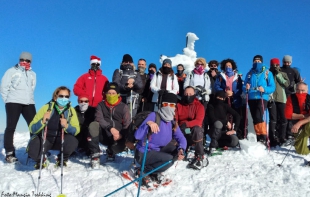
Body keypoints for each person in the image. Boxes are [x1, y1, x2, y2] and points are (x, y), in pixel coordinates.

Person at [134, 93, 186, 188]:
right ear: (161, 105)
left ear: (175, 107)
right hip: (143, 153)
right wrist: (148, 124)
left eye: (172, 105)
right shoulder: (154, 116)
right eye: (166, 104)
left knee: (175, 151)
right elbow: (137, 136)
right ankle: (143, 170)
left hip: (156, 151)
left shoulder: (172, 121)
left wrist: (181, 149)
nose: (168, 107)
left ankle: (154, 170)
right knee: (169, 159)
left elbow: (181, 138)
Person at [27, 86, 80, 169]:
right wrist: (42, 122)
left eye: (66, 96)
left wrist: (67, 126)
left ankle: (62, 159)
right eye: (61, 96)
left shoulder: (71, 110)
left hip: (61, 140)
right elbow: (32, 128)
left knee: (72, 141)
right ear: (55, 97)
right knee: (32, 149)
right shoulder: (46, 108)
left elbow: (76, 130)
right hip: (46, 139)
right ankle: (42, 159)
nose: (64, 98)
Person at [1, 52, 37, 163]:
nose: (24, 62)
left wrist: (29, 99)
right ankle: (9, 153)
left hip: (29, 103)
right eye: (22, 59)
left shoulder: (33, 74)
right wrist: (7, 101)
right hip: (13, 102)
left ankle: (34, 150)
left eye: (27, 60)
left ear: (30, 62)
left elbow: (32, 87)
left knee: (34, 127)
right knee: (11, 127)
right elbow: (3, 87)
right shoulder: (11, 71)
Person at [88, 82, 131, 168]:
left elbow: (127, 124)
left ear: (118, 94)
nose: (111, 95)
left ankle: (111, 151)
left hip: (117, 137)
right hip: (103, 134)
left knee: (118, 148)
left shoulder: (124, 107)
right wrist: (110, 128)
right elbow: (98, 118)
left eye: (113, 93)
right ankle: (95, 156)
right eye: (109, 93)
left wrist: (122, 135)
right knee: (93, 125)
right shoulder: (101, 105)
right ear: (106, 94)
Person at [243, 55, 275, 145]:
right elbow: (244, 85)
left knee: (258, 115)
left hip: (262, 97)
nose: (257, 62)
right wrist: (246, 87)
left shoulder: (267, 72)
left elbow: (272, 87)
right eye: (255, 61)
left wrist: (264, 89)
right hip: (251, 97)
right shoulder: (249, 73)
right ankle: (259, 138)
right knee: (255, 118)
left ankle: (263, 137)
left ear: (262, 62)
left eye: (258, 61)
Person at [175, 86, 205, 170]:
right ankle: (180, 151)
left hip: (191, 130)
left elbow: (199, 121)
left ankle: (199, 155)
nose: (188, 95)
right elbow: (175, 119)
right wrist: (177, 126)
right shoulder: (179, 105)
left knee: (197, 129)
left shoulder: (199, 106)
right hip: (181, 129)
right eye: (186, 94)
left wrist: (186, 124)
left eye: (190, 94)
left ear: (194, 94)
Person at [183, 58, 211, 143]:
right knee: (190, 118)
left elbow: (210, 89)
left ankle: (201, 138)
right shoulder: (191, 74)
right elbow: (185, 86)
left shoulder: (206, 75)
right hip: (192, 99)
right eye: (198, 64)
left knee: (201, 120)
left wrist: (204, 91)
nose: (199, 66)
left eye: (201, 64)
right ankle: (189, 138)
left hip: (202, 100)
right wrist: (193, 89)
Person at [214, 59, 243, 137]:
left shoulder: (237, 76)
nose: (228, 67)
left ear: (232, 66)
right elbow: (217, 86)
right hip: (224, 99)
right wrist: (224, 93)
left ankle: (238, 133)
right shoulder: (220, 76)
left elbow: (240, 88)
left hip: (235, 99)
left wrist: (233, 93)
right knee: (224, 116)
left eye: (229, 65)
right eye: (226, 66)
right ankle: (224, 133)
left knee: (237, 115)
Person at [267, 58, 290, 147]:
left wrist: (278, 75)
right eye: (272, 65)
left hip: (282, 99)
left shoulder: (283, 74)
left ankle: (282, 137)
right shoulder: (268, 74)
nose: (274, 66)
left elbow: (286, 84)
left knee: (283, 118)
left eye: (276, 65)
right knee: (273, 119)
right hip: (271, 99)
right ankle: (272, 138)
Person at [284, 82, 310, 155]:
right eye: (298, 90)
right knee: (301, 151)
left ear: (307, 91)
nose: (300, 92)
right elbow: (288, 114)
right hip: (298, 128)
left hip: (306, 124)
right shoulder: (291, 98)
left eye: (302, 90)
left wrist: (299, 122)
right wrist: (304, 116)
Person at [280, 55, 302, 139]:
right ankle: (280, 134)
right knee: (281, 115)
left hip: (291, 94)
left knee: (290, 114)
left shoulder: (294, 71)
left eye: (288, 62)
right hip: (281, 94)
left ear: (291, 62)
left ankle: (290, 134)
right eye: (285, 62)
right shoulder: (280, 70)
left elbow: (298, 82)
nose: (287, 63)